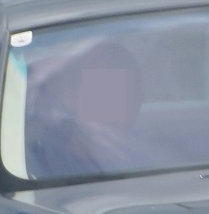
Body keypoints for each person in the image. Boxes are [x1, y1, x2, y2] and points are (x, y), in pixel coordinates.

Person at [26, 41, 148, 178]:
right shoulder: (36, 166)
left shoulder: (151, 160)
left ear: (139, 100)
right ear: (72, 98)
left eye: (127, 93)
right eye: (102, 91)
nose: (114, 107)